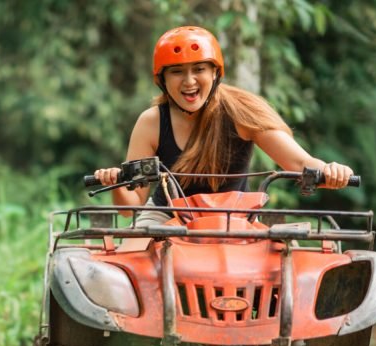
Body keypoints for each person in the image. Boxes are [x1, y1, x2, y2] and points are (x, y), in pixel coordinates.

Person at [94, 26, 354, 226]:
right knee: (129, 268)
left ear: (215, 73)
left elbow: (300, 164)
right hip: (166, 218)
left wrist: (331, 171)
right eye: (176, 72)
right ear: (162, 80)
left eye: (199, 69)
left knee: (285, 268)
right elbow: (131, 207)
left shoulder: (242, 112)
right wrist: (117, 184)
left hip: (235, 220)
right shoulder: (151, 122)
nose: (189, 81)